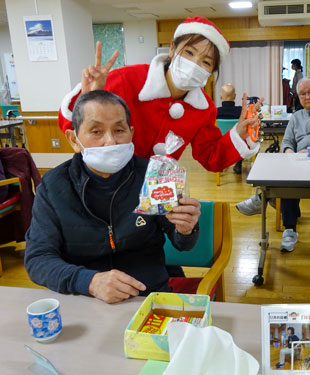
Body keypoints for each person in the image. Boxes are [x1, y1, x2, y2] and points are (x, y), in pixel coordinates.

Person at [25, 90, 201, 304]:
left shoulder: (154, 175)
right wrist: (89, 281)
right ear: (73, 139)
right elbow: (38, 258)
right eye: (96, 131)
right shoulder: (53, 187)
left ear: (131, 133)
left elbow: (182, 243)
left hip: (148, 295)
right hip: (84, 299)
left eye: (119, 130)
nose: (111, 142)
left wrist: (186, 229)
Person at [58, 16, 261, 173]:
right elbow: (70, 125)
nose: (194, 65)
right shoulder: (126, 79)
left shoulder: (203, 108)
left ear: (211, 72)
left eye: (206, 62)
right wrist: (87, 97)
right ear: (172, 49)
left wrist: (239, 135)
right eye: (189, 53)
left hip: (157, 193)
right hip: (103, 181)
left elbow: (210, 156)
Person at [237, 77, 310, 252]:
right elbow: (287, 140)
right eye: (302, 94)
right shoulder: (296, 116)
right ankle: (289, 229)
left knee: (288, 175)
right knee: (282, 171)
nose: (307, 96)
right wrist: (289, 152)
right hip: (299, 160)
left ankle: (263, 199)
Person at [216, 83, 243, 174]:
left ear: (220, 97)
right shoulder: (241, 111)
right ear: (235, 96)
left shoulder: (216, 112)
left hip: (221, 142)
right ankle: (238, 164)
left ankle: (220, 164)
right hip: (237, 143)